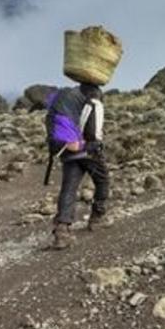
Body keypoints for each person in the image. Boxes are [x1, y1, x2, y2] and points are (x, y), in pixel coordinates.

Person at [50, 83, 109, 250]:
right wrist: (94, 145)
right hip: (87, 150)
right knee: (102, 179)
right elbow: (94, 130)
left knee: (69, 187)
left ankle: (62, 231)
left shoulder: (68, 99)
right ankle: (97, 218)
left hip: (67, 151)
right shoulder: (93, 98)